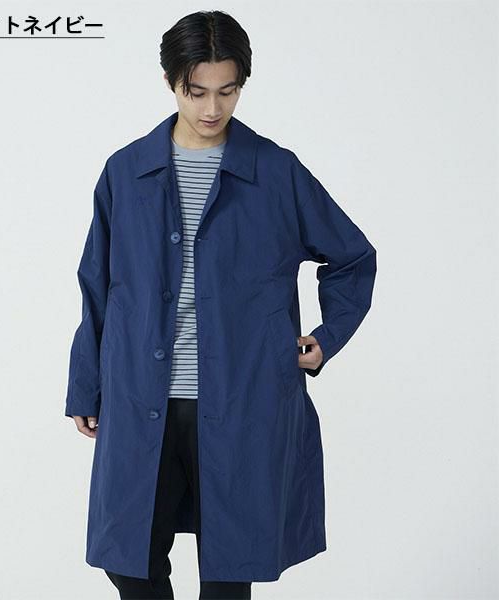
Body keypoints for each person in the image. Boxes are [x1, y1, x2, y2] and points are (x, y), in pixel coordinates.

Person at [65, 10, 377, 600]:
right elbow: (96, 284)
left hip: (244, 399)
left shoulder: (275, 172)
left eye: (227, 91)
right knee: (129, 560)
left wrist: (326, 337)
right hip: (142, 398)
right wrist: (86, 385)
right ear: (171, 82)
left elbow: (352, 257)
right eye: (197, 91)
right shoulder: (126, 172)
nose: (213, 108)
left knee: (230, 572)